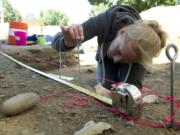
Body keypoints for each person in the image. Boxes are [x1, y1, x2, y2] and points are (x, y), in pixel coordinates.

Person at [51, 5, 167, 91]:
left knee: (127, 92)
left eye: (125, 59)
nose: (116, 60)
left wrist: (133, 87)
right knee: (105, 87)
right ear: (122, 32)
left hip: (136, 62)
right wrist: (68, 41)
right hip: (105, 55)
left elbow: (132, 89)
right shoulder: (103, 21)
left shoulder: (143, 49)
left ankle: (127, 64)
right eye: (118, 51)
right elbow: (55, 42)